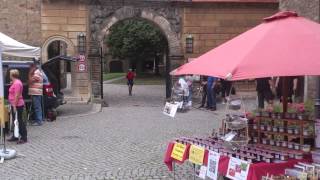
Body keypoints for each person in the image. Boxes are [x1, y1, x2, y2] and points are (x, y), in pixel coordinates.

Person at [7, 69, 27, 144]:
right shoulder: (15, 82)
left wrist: (14, 105)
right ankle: (15, 136)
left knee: (19, 121)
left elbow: (17, 95)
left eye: (10, 74)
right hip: (14, 104)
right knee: (15, 121)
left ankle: (24, 137)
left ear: (12, 75)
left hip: (18, 104)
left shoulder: (17, 83)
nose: (9, 75)